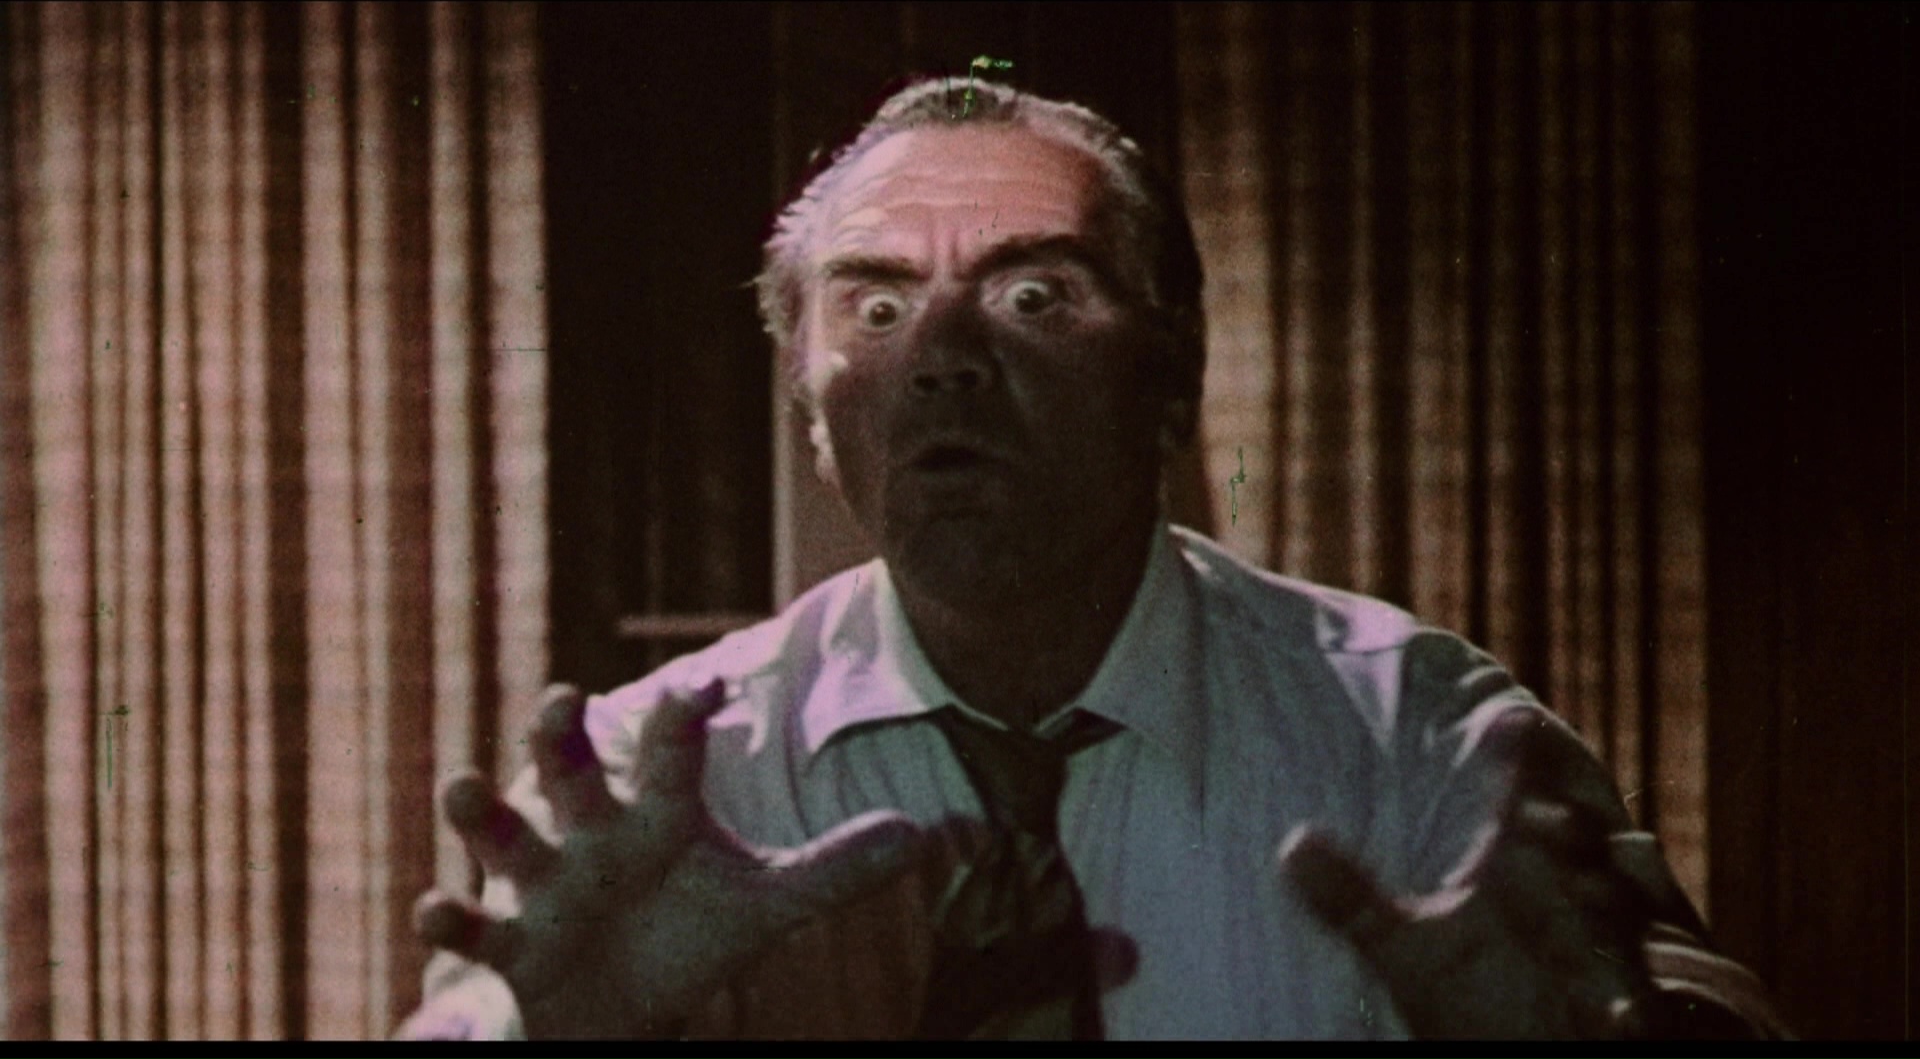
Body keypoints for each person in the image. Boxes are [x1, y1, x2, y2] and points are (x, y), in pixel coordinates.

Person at [395, 78, 1785, 1040]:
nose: (943, 353)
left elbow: (1689, 999)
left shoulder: (1416, 732)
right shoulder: (660, 779)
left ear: (1170, 380)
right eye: (875, 307)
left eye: (1032, 293)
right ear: (814, 417)